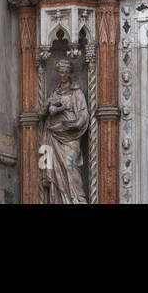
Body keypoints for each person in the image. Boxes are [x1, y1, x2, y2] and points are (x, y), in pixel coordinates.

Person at [39, 58, 89, 204]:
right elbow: (42, 114)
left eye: (66, 72)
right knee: (53, 168)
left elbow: (84, 115)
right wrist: (49, 106)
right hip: (53, 134)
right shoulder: (54, 93)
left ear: (70, 73)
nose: (63, 75)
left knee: (70, 164)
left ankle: (78, 199)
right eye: (61, 72)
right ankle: (59, 199)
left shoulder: (76, 93)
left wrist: (73, 124)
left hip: (71, 135)